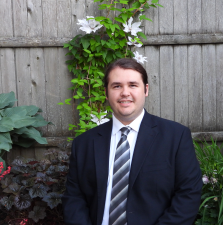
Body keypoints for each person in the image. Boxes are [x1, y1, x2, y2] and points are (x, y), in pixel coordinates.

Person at [62, 58, 203, 225]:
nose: (125, 93)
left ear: (146, 90)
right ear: (106, 93)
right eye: (117, 86)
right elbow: (74, 198)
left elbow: (188, 194)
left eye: (133, 85)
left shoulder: (176, 137)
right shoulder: (84, 144)